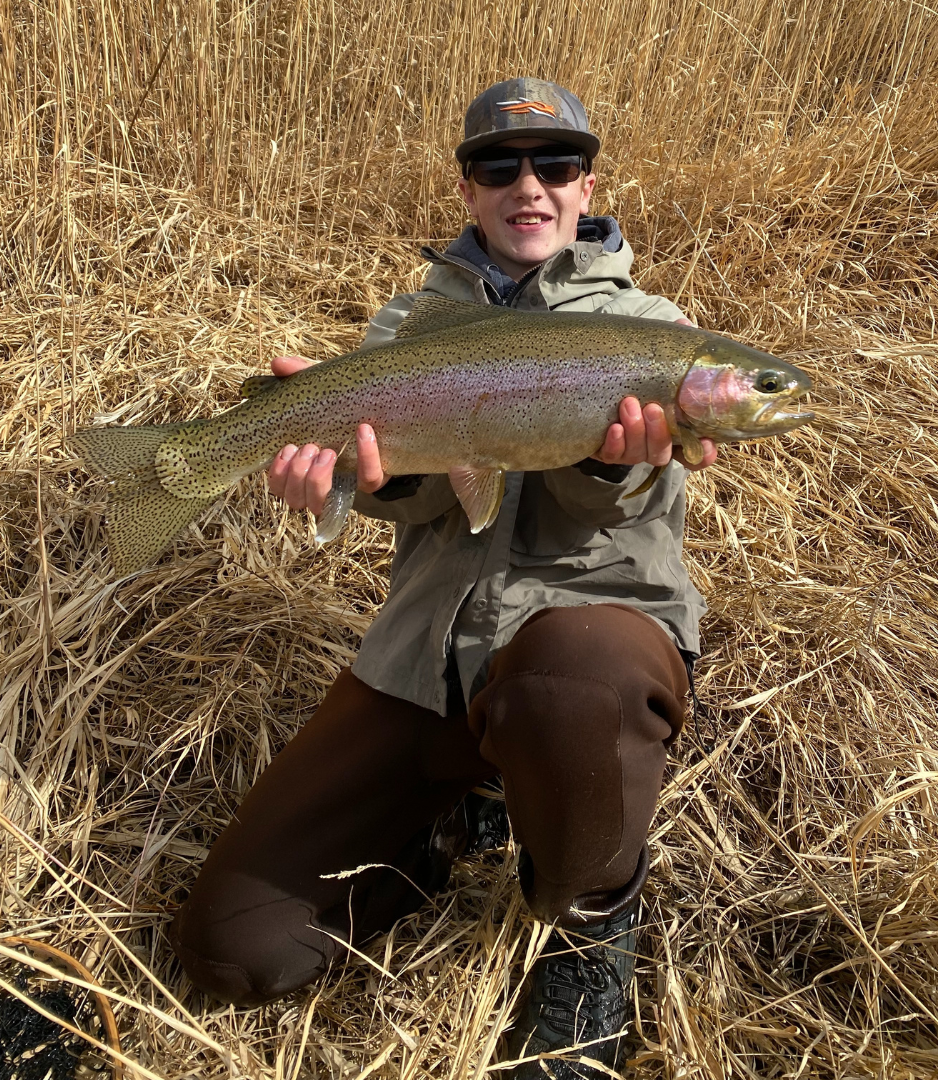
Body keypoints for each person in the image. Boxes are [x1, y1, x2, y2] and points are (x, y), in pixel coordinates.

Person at [171, 77, 716, 1079]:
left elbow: (636, 514)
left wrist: (607, 460)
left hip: (583, 641)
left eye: (556, 165)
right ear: (467, 189)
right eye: (499, 166)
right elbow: (418, 502)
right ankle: (435, 836)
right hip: (428, 659)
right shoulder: (408, 324)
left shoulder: (652, 330)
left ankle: (587, 924)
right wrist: (335, 468)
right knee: (228, 950)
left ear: (587, 185)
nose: (529, 186)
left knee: (569, 684)